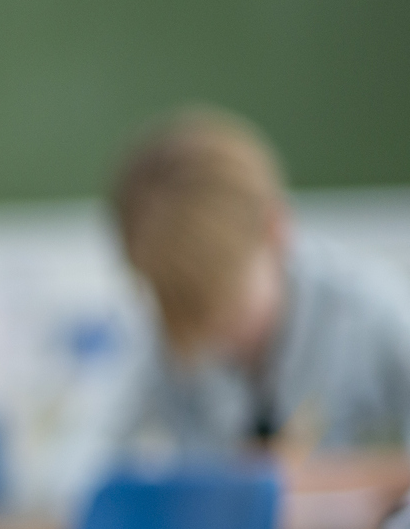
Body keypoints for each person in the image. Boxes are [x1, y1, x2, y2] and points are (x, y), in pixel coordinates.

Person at [109, 109, 410, 460]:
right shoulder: (165, 335)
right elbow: (75, 464)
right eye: (200, 326)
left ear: (275, 229)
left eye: (231, 310)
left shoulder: (374, 313)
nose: (220, 339)